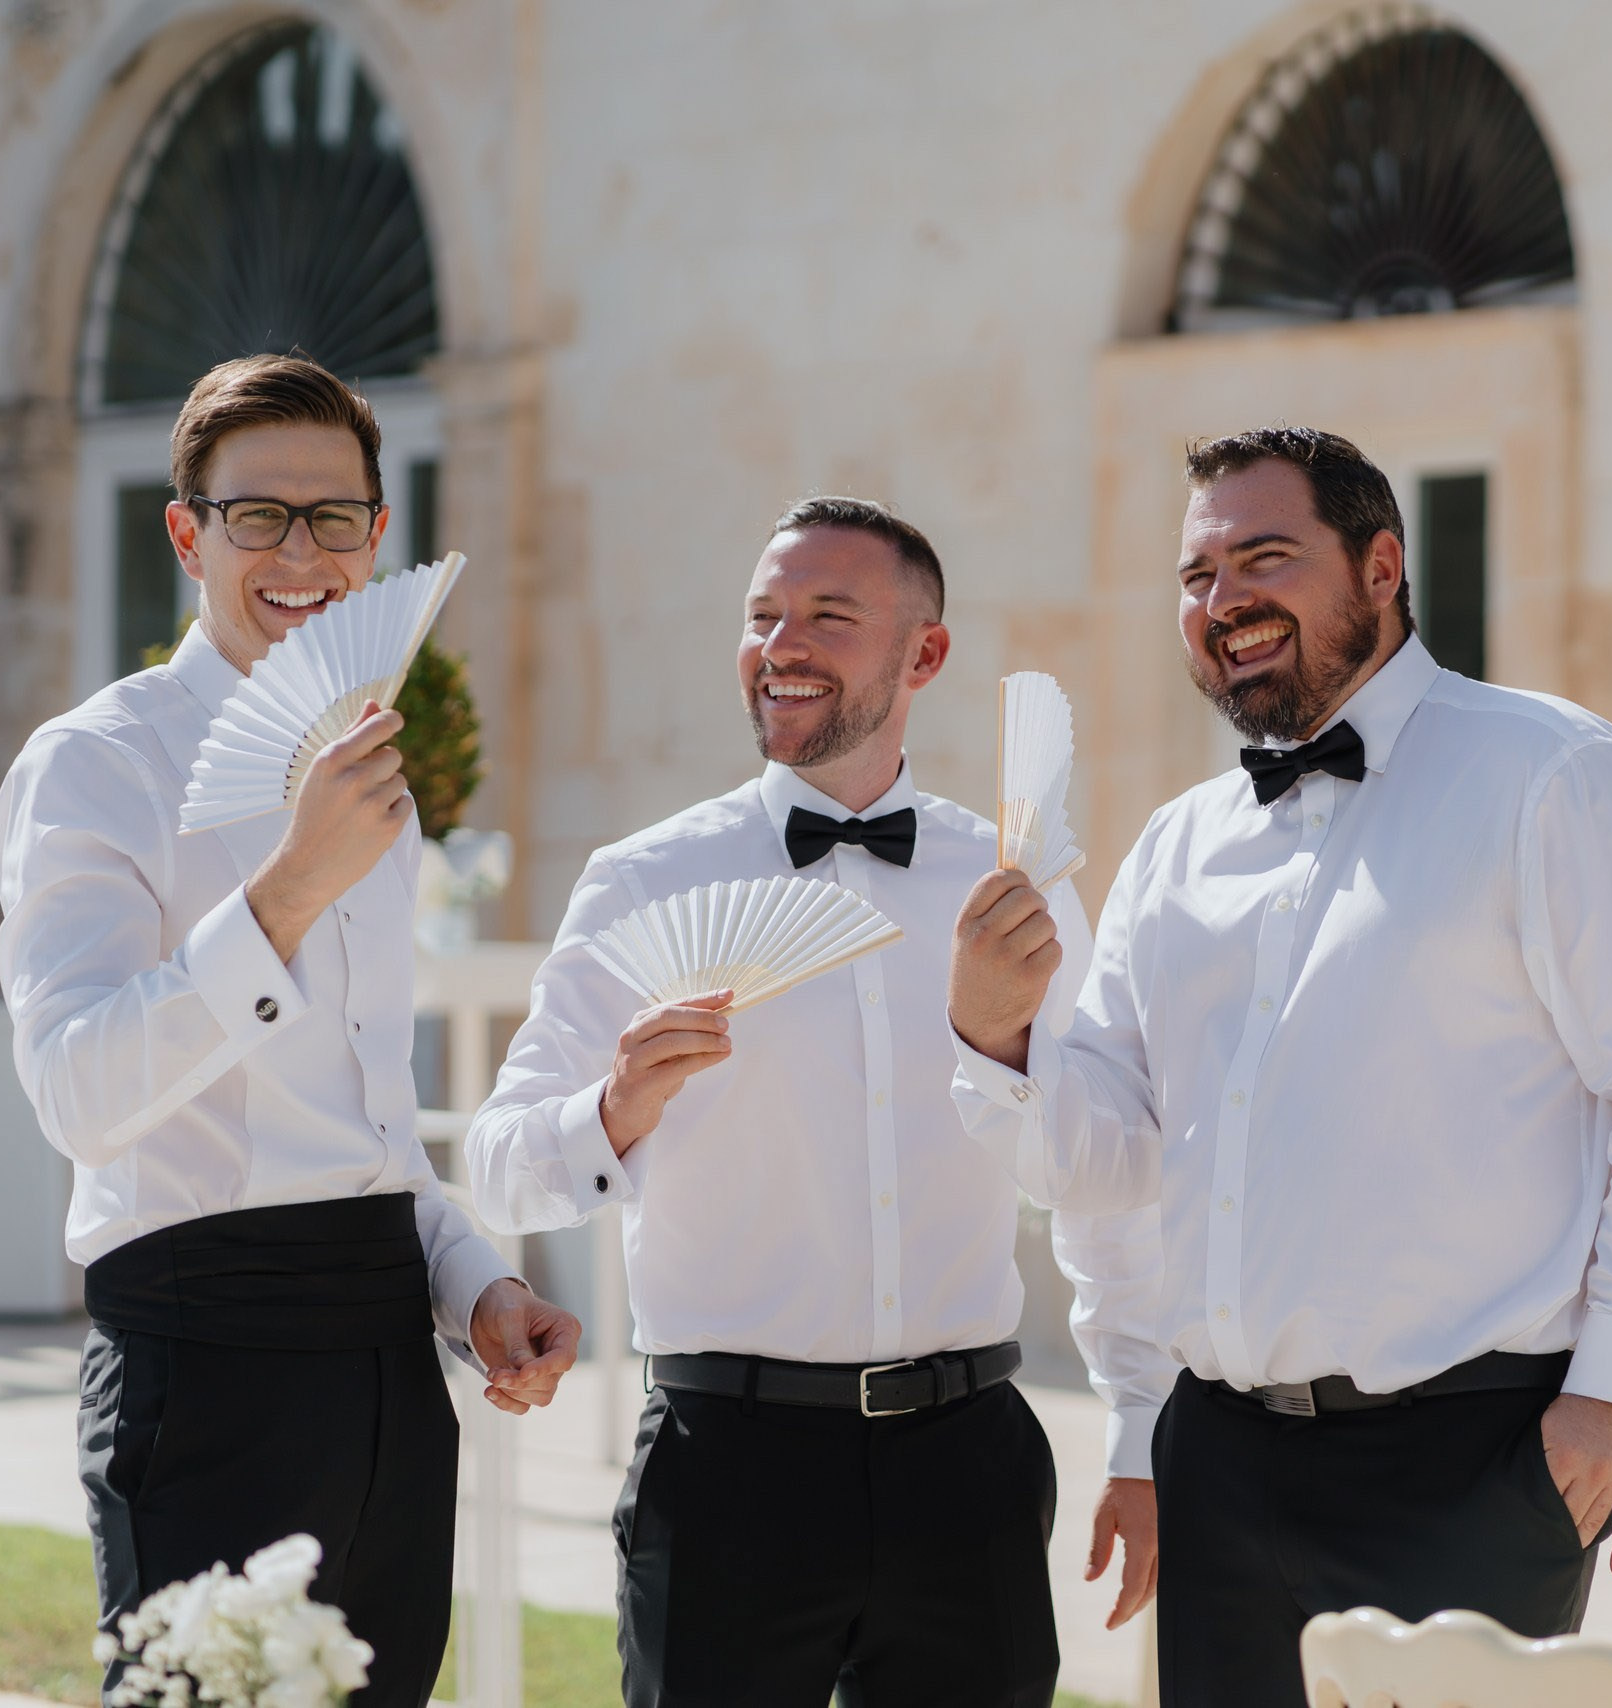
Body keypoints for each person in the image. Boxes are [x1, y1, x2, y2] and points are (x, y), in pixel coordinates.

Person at [946, 427, 1612, 1706]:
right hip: (1219, 1463)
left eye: (1263, 558)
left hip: (1473, 1463)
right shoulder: (1175, 846)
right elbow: (1107, 1159)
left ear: (1382, 565)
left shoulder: (1550, 776)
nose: (1223, 603)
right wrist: (1000, 1036)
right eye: (1196, 576)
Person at [465, 497, 1167, 1708]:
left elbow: (1103, 1172)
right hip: (725, 1463)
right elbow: (497, 1166)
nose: (781, 643)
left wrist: (1140, 1428)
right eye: (762, 616)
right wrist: (617, 1105)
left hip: (969, 1465)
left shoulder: (1014, 886)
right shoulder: (643, 880)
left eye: (828, 616)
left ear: (925, 655)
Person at [0, 354, 581, 1708]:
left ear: (381, 537)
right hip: (201, 1378)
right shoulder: (97, 762)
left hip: (389, 1380)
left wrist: (474, 1283)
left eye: (336, 519)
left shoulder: (377, 783)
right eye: (259, 515)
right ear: (188, 530)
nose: (300, 553)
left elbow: (373, 1123)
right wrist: (289, 889)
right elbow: (77, 1097)